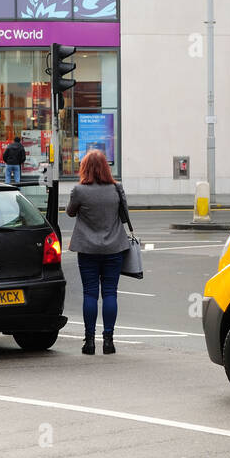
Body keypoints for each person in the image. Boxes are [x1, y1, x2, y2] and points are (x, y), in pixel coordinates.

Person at [65, 149, 131, 355]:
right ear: (105, 167)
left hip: (87, 249)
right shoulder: (116, 189)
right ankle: (109, 341)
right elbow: (124, 216)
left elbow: (70, 212)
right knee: (110, 292)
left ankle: (90, 341)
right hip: (114, 247)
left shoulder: (79, 191)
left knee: (90, 294)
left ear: (85, 168)